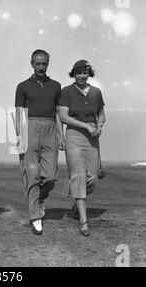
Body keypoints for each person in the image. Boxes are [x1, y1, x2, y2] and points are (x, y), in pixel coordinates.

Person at [14, 49, 65, 235]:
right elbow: (19, 114)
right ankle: (35, 216)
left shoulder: (56, 86)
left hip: (51, 128)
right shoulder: (22, 86)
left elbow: (58, 113)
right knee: (32, 174)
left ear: (48, 64)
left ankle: (37, 201)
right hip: (30, 128)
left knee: (51, 176)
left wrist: (61, 135)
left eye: (44, 63)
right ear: (32, 64)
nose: (41, 67)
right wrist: (19, 137)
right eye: (38, 63)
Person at [58, 59, 106, 237]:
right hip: (74, 137)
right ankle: (84, 222)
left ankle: (77, 204)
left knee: (91, 178)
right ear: (73, 74)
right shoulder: (66, 92)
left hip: (92, 138)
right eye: (78, 73)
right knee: (78, 176)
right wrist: (85, 126)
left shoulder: (96, 92)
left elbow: (101, 114)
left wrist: (99, 126)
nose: (82, 76)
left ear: (89, 74)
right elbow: (63, 116)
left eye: (85, 73)